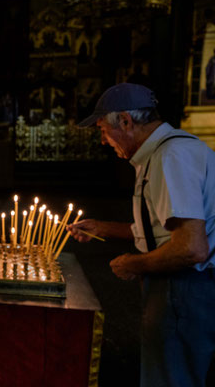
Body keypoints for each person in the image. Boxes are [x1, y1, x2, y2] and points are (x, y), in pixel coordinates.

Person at [68, 83, 215, 387]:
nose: (104, 141)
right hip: (185, 287)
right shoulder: (169, 150)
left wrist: (134, 264)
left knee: (171, 377)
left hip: (185, 289)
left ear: (125, 121)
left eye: (102, 130)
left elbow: (191, 248)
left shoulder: (170, 157)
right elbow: (165, 231)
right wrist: (104, 228)